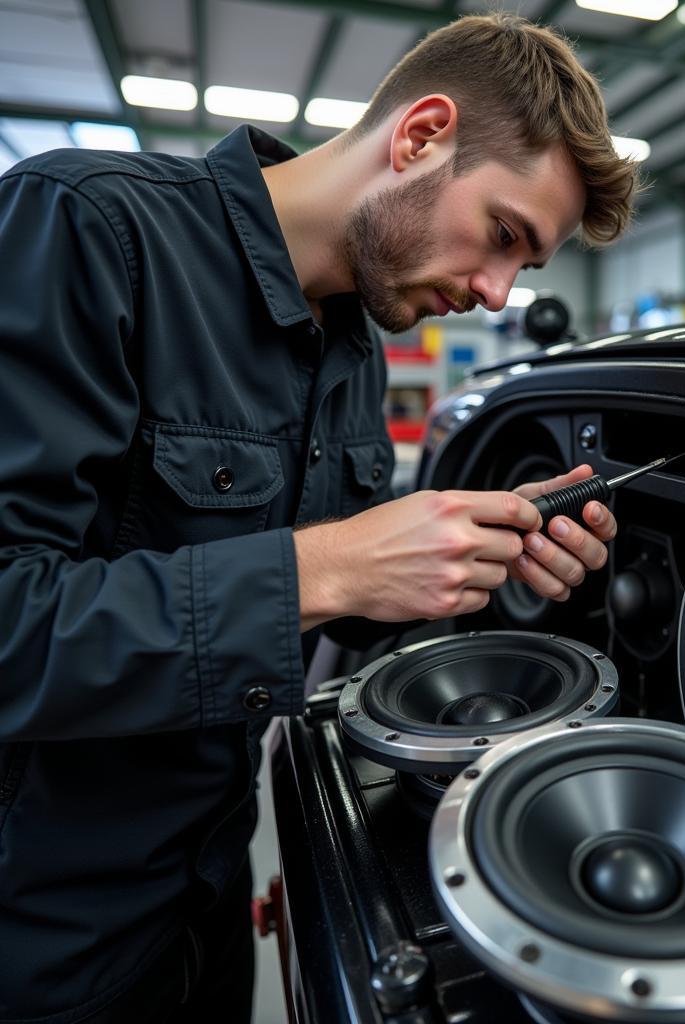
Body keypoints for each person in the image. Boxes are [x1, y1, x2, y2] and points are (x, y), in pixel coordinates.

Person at [0, 12, 637, 1023]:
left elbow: (339, 608)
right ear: (422, 134)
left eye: (525, 268)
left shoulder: (357, 344)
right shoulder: (88, 230)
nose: (494, 290)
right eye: (503, 234)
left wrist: (483, 564)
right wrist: (321, 567)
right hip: (39, 926)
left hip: (199, 897)